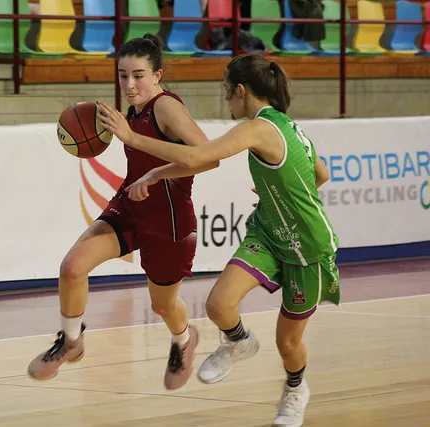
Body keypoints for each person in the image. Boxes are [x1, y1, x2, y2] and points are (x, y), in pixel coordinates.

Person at [97, 53, 340, 427]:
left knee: (288, 344)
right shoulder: (287, 125)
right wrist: (275, 196)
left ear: (241, 91)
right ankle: (239, 341)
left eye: (227, 92)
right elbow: (320, 174)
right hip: (268, 232)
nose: (226, 101)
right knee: (218, 305)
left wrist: (131, 138)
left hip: (308, 247)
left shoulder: (257, 128)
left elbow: (197, 155)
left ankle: (295, 390)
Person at [28, 33, 219, 390]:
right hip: (130, 206)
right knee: (72, 267)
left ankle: (183, 339)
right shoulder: (133, 111)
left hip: (169, 222)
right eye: (123, 75)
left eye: (138, 76)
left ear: (157, 75)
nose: (129, 85)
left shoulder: (165, 106)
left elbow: (208, 157)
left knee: (163, 306)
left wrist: (134, 143)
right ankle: (71, 340)